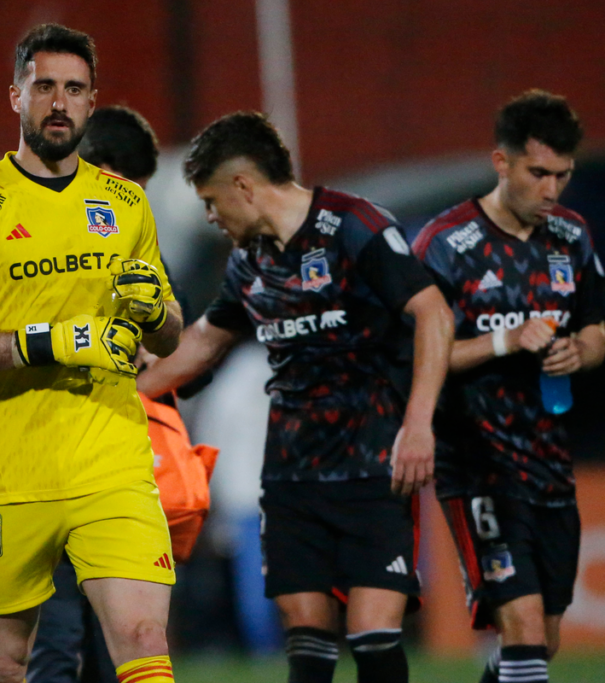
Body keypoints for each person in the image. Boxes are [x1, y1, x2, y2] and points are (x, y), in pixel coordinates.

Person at [137, 111, 454, 683]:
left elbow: (431, 310)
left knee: (374, 633)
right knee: (305, 635)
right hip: (289, 475)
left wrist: (420, 423)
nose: (211, 215)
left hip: (372, 463)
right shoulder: (249, 261)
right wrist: (123, 393)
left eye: (211, 200)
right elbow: (206, 342)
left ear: (243, 186)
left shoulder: (354, 225)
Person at [0, 24, 183, 683]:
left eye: (74, 89)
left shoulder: (126, 203)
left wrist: (154, 311)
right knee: (7, 664)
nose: (58, 102)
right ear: (16, 96)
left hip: (112, 460)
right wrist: (49, 341)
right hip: (11, 468)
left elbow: (170, 330)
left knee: (145, 637)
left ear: (92, 102)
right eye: (44, 87)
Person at [412, 90, 604, 683]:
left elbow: (598, 325)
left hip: (548, 459)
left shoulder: (572, 236)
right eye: (538, 173)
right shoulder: (446, 244)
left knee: (539, 643)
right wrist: (502, 341)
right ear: (502, 163)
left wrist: (583, 350)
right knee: (519, 624)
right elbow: (413, 355)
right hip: (476, 463)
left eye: (563, 175)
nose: (552, 189)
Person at [27, 105, 216, 683]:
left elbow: (188, 357)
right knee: (58, 648)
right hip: (43, 472)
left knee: (118, 646)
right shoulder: (22, 237)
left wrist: (152, 354)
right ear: (105, 170)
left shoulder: (141, 254)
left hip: (112, 477)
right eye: (132, 186)